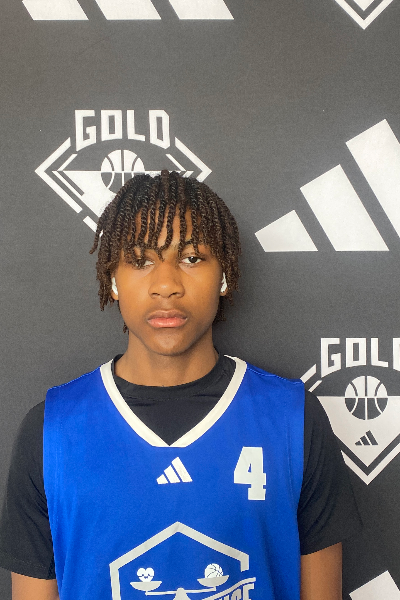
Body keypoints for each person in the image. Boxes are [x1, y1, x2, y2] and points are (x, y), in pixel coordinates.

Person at [0, 170, 361, 600]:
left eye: (191, 258)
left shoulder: (292, 419)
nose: (166, 285)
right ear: (112, 280)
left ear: (224, 275)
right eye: (140, 260)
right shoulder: (53, 432)